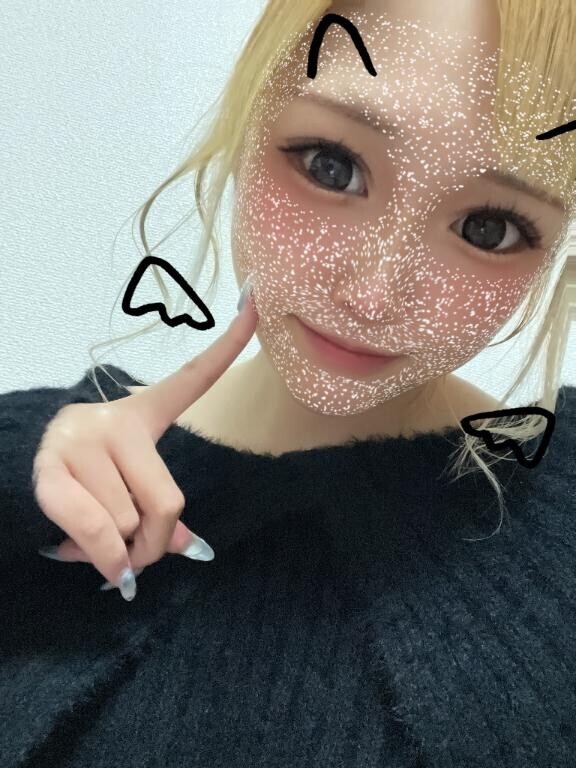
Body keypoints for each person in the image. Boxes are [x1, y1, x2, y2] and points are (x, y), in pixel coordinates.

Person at [1, 1, 575, 766]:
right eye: (331, 165)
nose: (372, 296)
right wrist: (18, 471)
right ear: (248, 118)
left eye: (488, 228)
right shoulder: (36, 486)